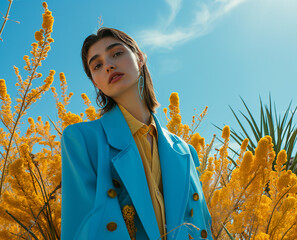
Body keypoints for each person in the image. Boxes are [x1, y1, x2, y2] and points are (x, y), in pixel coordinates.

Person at [61, 27, 212, 240]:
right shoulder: (82, 140)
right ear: (96, 82)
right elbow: (79, 229)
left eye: (117, 53)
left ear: (140, 59)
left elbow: (202, 225)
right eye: (97, 65)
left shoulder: (184, 150)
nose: (109, 65)